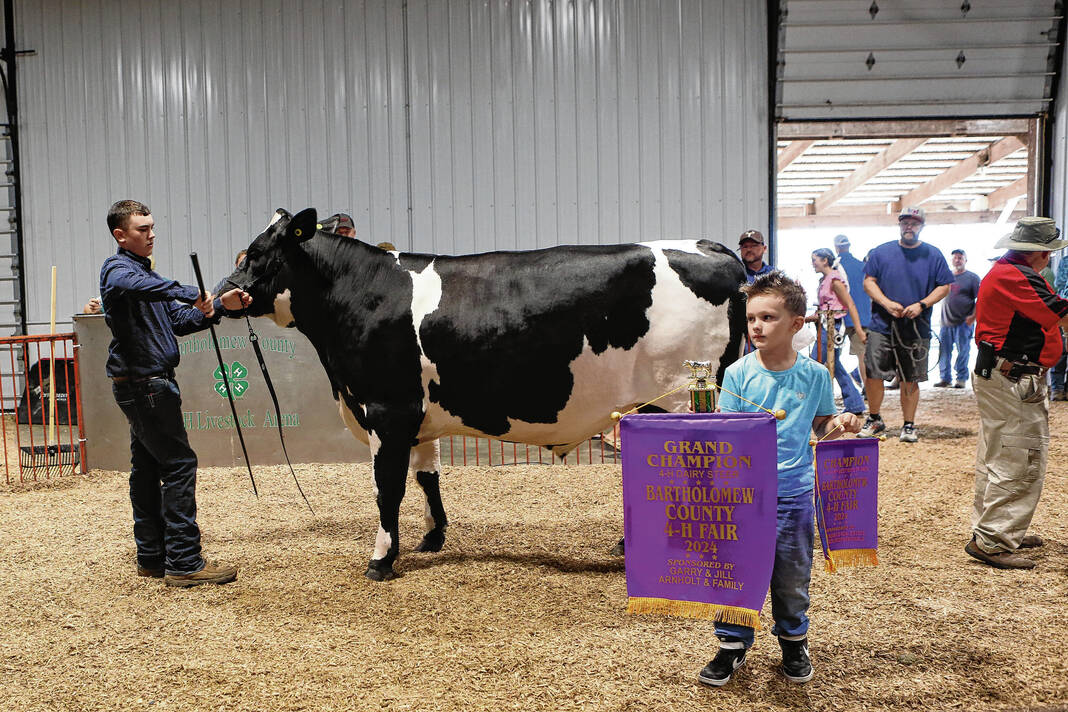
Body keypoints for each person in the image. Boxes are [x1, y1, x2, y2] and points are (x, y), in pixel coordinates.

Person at [698, 271, 861, 688]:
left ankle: (793, 641)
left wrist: (840, 424)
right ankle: (732, 644)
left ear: (796, 323)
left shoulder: (816, 375)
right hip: (743, 495)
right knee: (735, 571)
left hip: (794, 493)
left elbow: (821, 425)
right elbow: (728, 433)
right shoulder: (737, 373)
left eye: (768, 318)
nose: (756, 326)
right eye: (752, 318)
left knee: (792, 574)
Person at [100, 200, 252, 587]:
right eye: (142, 229)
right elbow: (145, 288)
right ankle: (184, 562)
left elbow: (181, 320)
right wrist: (192, 291)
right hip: (147, 385)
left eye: (152, 227)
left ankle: (152, 557)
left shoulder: (147, 276)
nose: (151, 234)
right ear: (120, 235)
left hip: (146, 384)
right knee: (179, 465)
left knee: (147, 468)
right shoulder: (118, 270)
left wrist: (218, 305)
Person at [967, 216, 1068, 569]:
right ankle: (994, 539)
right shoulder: (1017, 276)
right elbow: (1062, 314)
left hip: (1000, 373)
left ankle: (997, 529)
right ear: (1041, 252)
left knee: (999, 453)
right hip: (1013, 377)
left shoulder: (1008, 271)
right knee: (1020, 456)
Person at [858, 207, 954, 442]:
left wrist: (922, 304)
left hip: (916, 327)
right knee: (873, 373)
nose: (909, 226)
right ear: (900, 225)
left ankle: (908, 425)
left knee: (911, 378)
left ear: (922, 226)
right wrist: (886, 303)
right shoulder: (881, 252)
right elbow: (869, 282)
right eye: (905, 222)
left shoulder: (933, 255)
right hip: (881, 325)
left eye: (914, 223)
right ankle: (874, 418)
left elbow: (944, 286)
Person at [805, 247, 866, 415]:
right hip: (826, 323)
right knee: (835, 364)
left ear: (825, 260)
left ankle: (813, 404)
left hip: (833, 326)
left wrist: (858, 329)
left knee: (815, 362)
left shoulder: (834, 280)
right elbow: (825, 307)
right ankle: (854, 403)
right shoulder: (825, 280)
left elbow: (849, 304)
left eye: (815, 260)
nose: (813, 264)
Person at [934, 249, 981, 389]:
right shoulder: (945, 277)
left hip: (964, 322)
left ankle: (961, 379)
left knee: (963, 351)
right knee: (944, 351)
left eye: (960, 258)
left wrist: (973, 317)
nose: (957, 260)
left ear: (965, 260)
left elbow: (981, 300)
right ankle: (945, 378)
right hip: (945, 322)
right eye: (955, 258)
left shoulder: (972, 278)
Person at [833, 234, 871, 388]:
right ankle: (867, 391)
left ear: (836, 247)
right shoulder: (863, 266)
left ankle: (830, 391)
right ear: (849, 246)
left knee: (832, 356)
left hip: (839, 318)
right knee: (863, 357)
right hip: (862, 317)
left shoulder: (834, 268)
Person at [1051, 252, 1068, 401]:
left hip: (1064, 306)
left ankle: (1060, 388)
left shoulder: (1065, 261)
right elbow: (1059, 284)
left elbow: (1059, 284)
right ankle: (1058, 388)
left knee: (1061, 349)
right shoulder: (1065, 261)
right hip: (1064, 308)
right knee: (1061, 349)